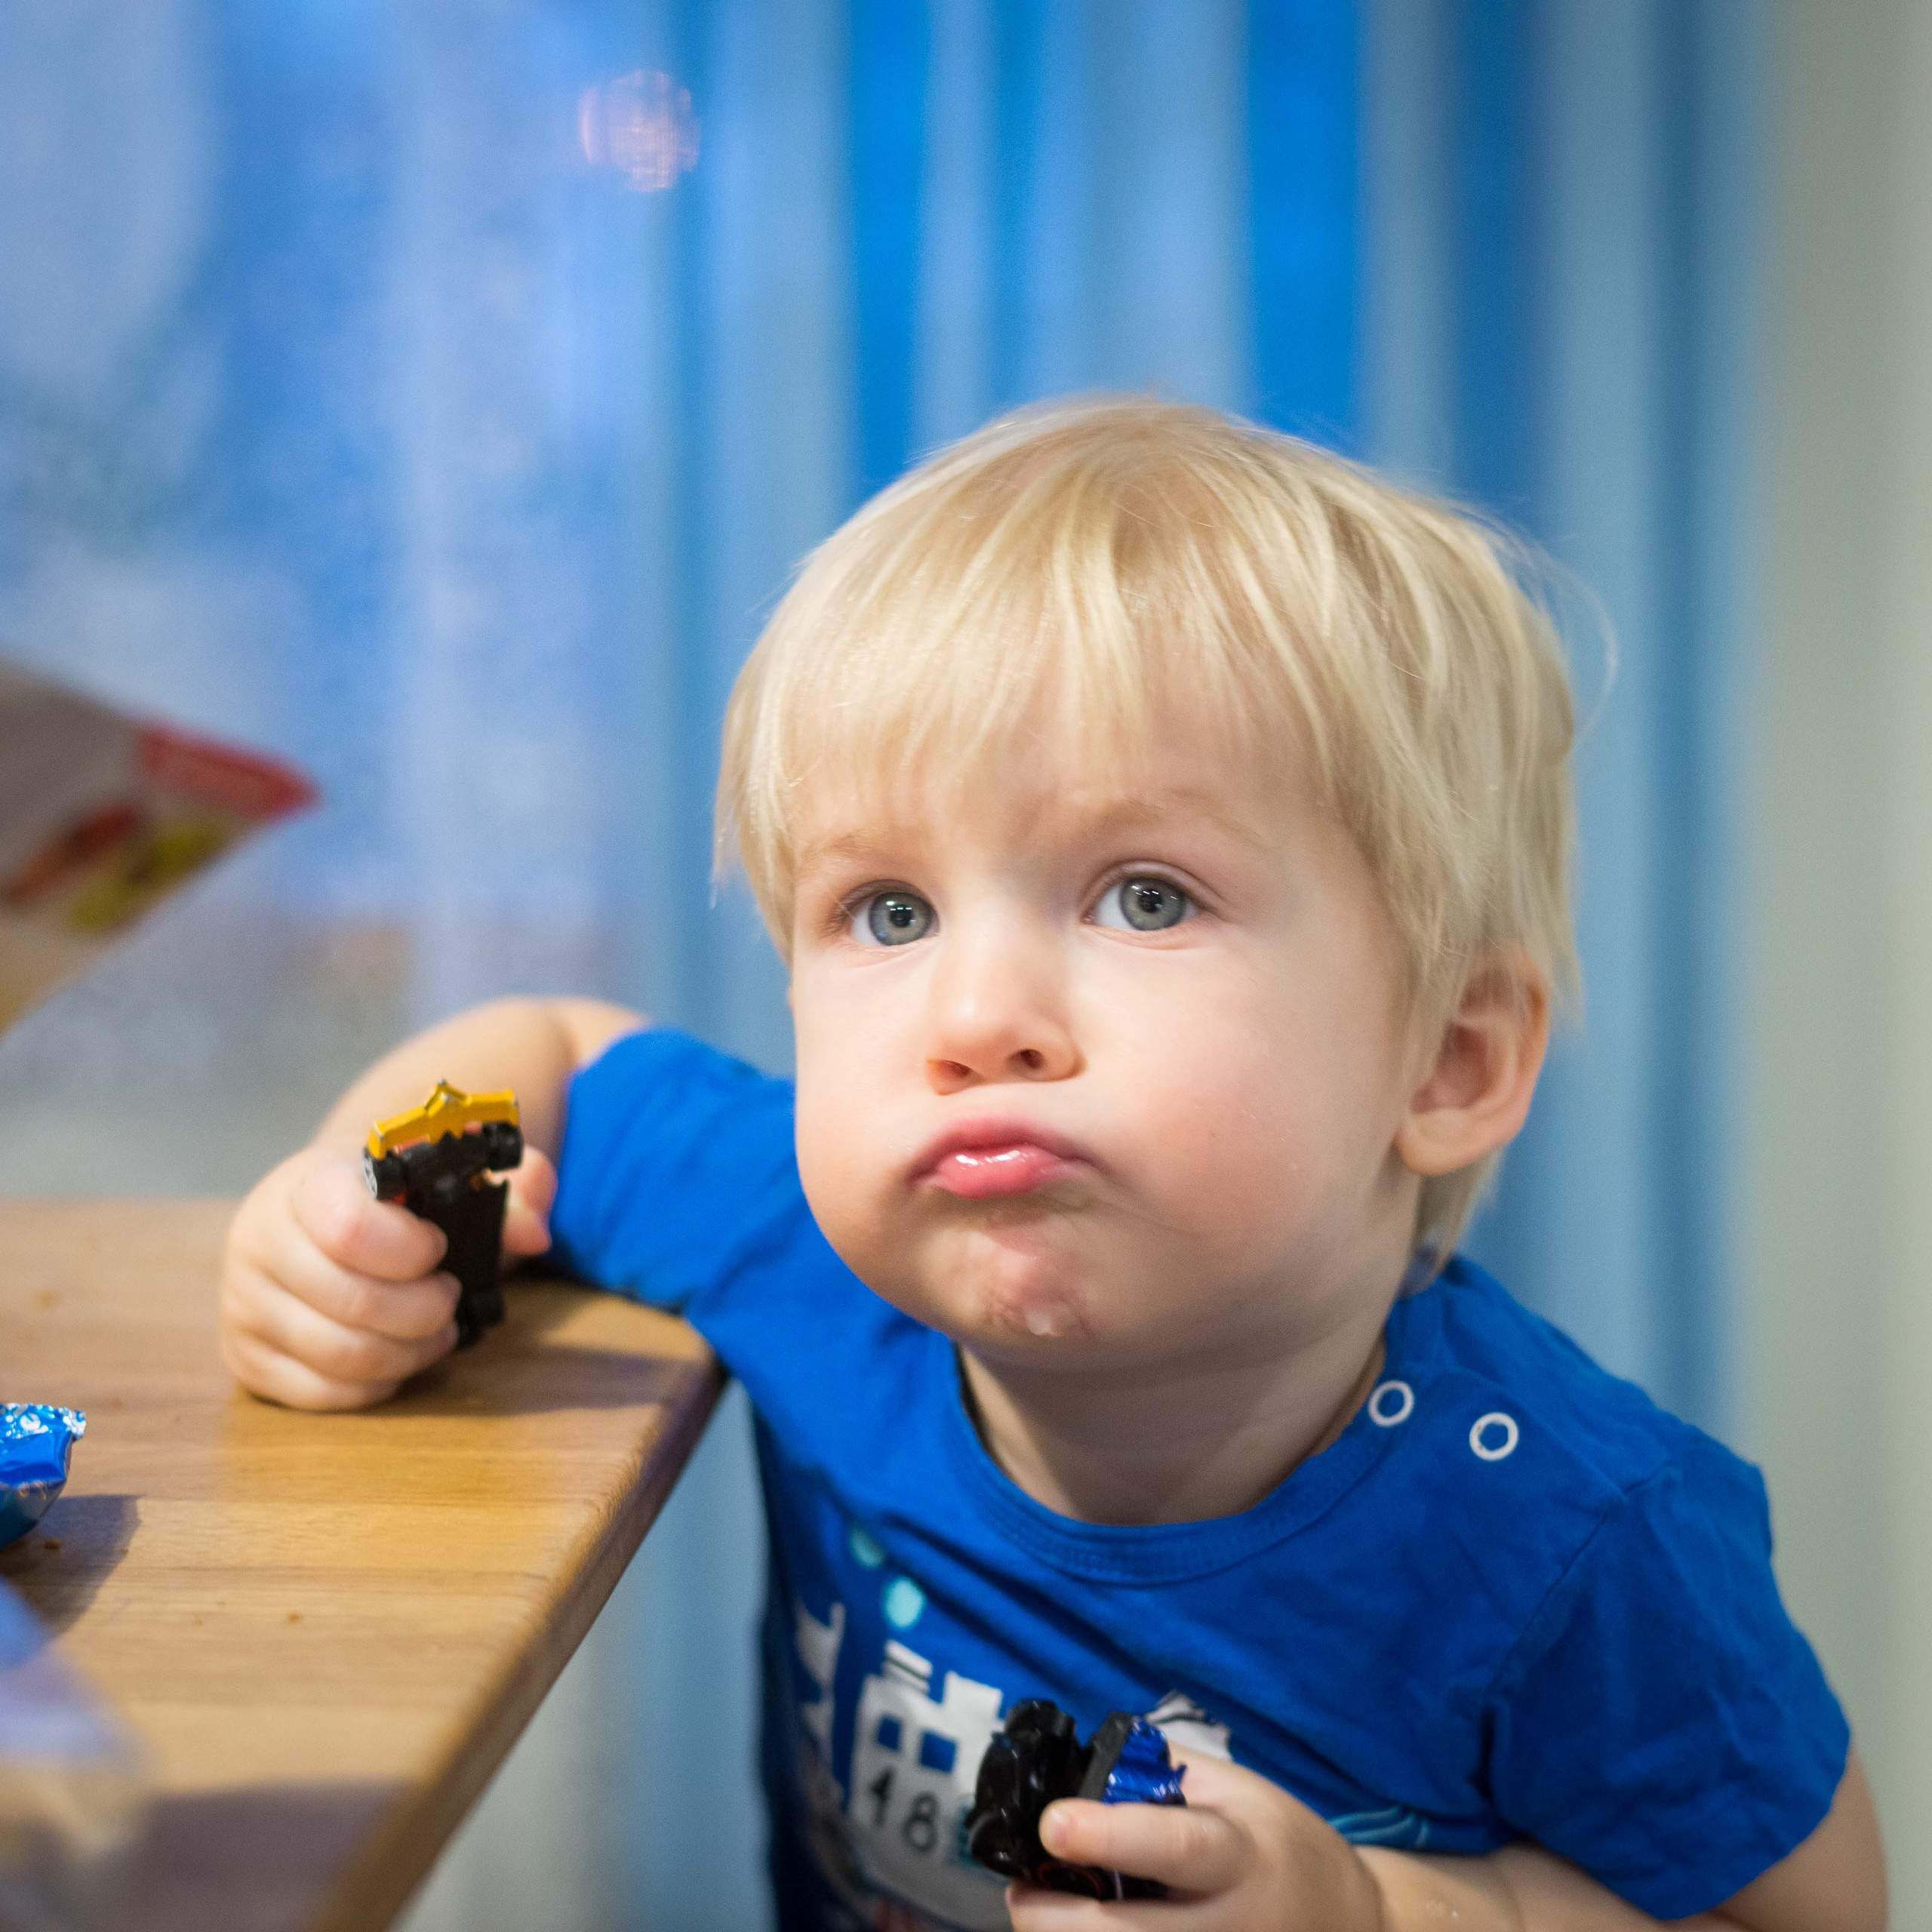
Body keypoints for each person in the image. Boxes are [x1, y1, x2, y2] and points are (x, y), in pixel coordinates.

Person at [220, 399, 1886, 1931]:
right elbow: (557, 1055)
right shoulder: (808, 1243)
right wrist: (352, 1195)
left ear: (1445, 1057)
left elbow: (1800, 1917)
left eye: (1143, 894)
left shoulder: (1574, 1532)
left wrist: (1375, 1914)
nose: (973, 1013)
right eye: (887, 910)